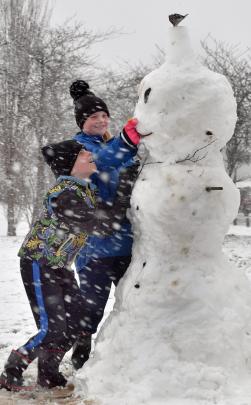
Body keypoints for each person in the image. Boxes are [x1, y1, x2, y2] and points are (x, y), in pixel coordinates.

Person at [0, 133, 140, 392]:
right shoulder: (65, 193)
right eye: (85, 154)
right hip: (38, 264)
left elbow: (104, 212)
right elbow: (101, 223)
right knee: (51, 327)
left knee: (76, 322)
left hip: (59, 266)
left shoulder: (86, 190)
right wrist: (125, 191)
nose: (91, 155)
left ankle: (48, 373)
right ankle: (13, 369)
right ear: (71, 165)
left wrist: (127, 174)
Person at [69, 80, 140, 370]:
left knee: (135, 300)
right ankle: (82, 351)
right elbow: (100, 163)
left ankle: (132, 351)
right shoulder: (77, 148)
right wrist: (126, 142)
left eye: (103, 115)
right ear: (82, 122)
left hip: (127, 241)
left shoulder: (117, 146)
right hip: (95, 246)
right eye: (93, 117)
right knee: (91, 307)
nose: (100, 120)